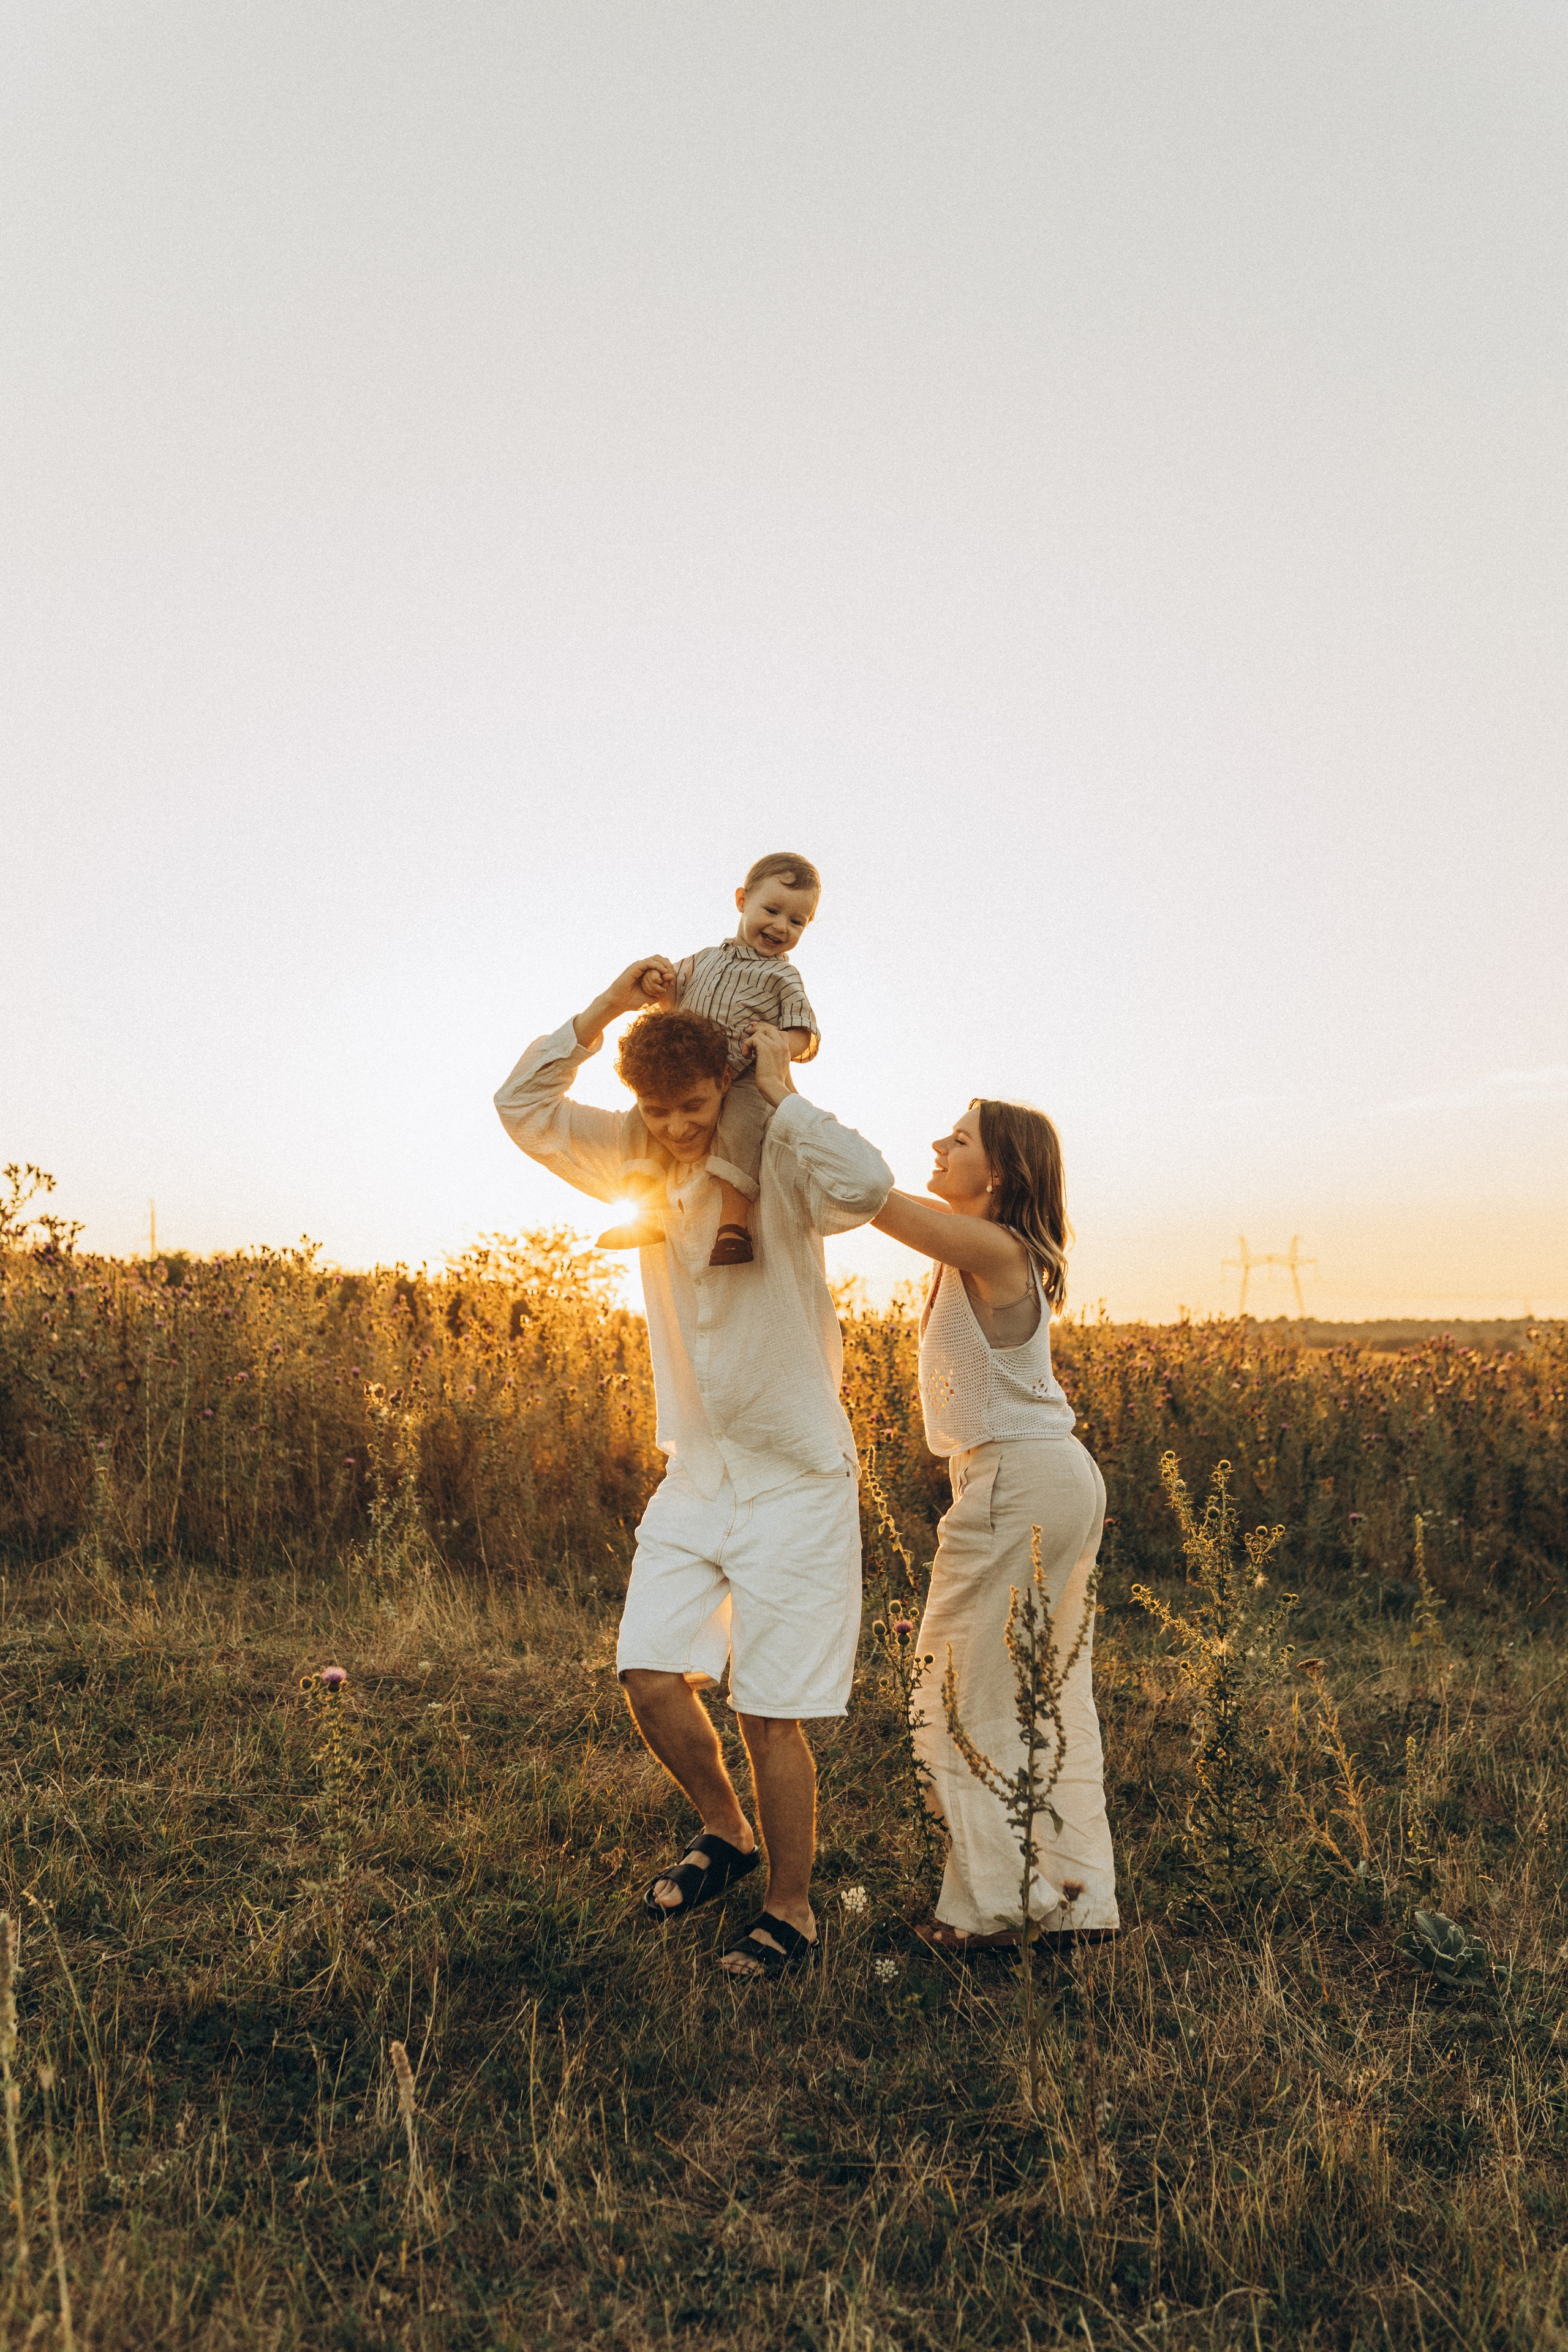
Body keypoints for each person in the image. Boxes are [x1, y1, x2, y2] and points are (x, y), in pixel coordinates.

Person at [494, 963, 892, 1977]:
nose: (676, 1128)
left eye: (694, 1107)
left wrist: (781, 1092)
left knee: (769, 1711)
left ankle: (792, 1911)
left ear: (727, 1085)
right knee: (648, 1674)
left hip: (798, 1476)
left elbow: (867, 1186)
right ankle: (728, 1832)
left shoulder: (780, 1155)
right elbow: (523, 1105)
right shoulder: (637, 1146)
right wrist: (603, 1012)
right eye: (659, 1110)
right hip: (699, 1474)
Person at [870, 1101, 1118, 1951]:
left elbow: (868, 1195)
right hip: (1041, 1474)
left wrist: (780, 1091)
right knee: (1045, 1694)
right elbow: (859, 1194)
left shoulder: (994, 1245)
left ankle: (993, 1913)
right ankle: (1074, 1897)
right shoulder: (973, 1241)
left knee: (957, 1690)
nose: (938, 1144)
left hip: (1019, 1477)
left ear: (1002, 1175)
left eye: (960, 1139)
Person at [597, 852, 822, 1266]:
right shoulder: (702, 960)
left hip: (741, 1077)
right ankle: (641, 1212)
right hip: (683, 1076)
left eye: (797, 922)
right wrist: (657, 982)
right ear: (742, 900)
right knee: (638, 1122)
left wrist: (778, 1042)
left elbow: (806, 1034)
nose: (780, 927)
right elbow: (668, 999)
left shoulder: (782, 977)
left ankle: (733, 1226)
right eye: (772, 910)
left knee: (739, 1127)